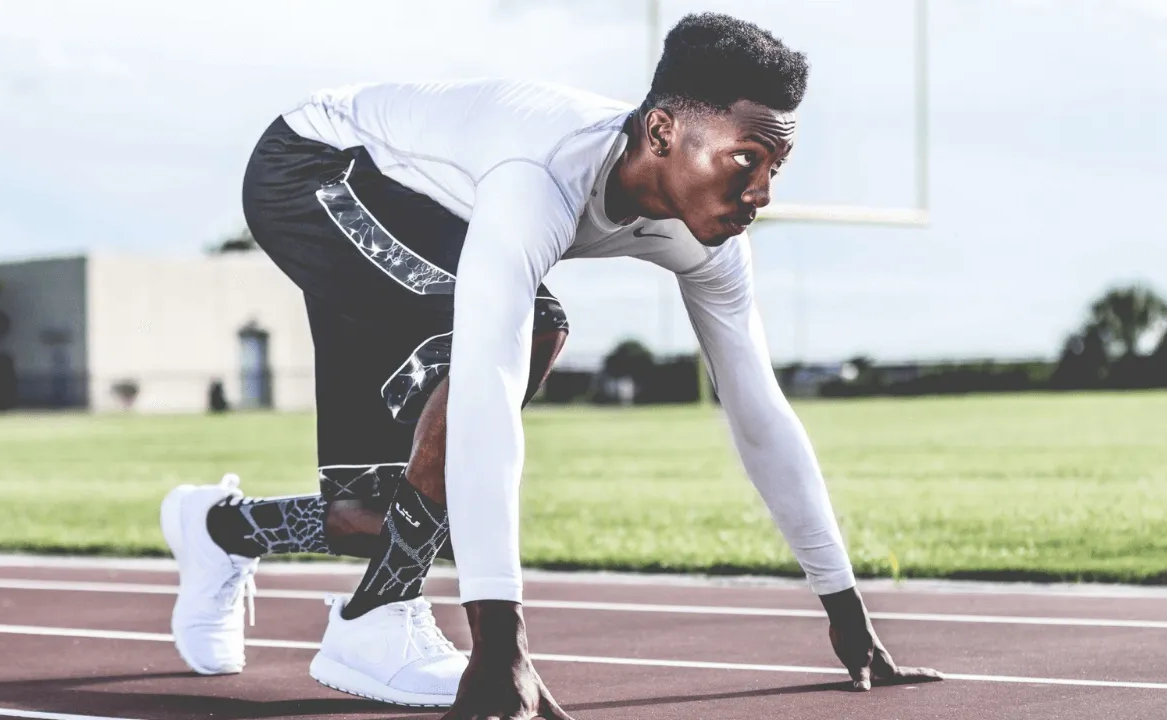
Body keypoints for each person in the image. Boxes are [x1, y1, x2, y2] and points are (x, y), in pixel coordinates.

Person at [159, 11, 942, 719]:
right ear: (662, 131)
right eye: (747, 158)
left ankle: (219, 528)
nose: (762, 190)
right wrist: (501, 648)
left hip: (420, 207)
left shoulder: (711, 243)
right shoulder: (539, 176)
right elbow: (488, 394)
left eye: (776, 167)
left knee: (375, 515)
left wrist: (848, 617)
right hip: (314, 170)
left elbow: (760, 413)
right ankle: (374, 619)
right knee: (532, 331)